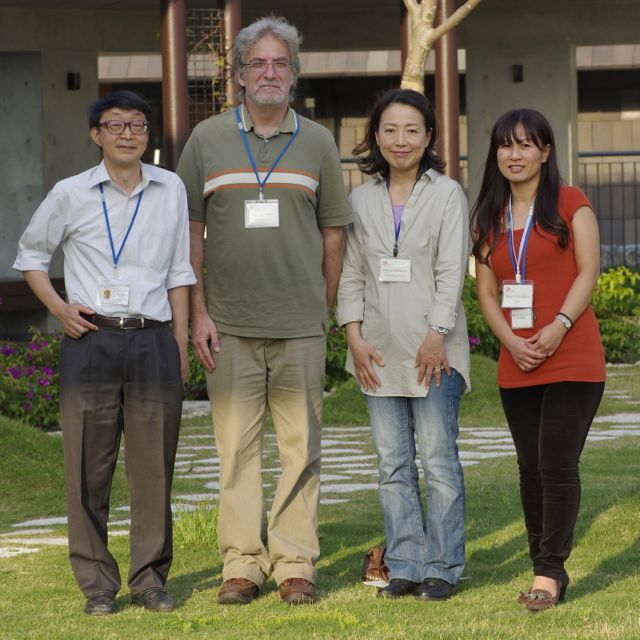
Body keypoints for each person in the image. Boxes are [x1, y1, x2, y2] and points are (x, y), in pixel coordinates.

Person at [176, 16, 352, 606]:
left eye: (280, 63)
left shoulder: (318, 142)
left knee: (301, 450)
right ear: (240, 75)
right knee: (235, 452)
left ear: (294, 75)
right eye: (258, 63)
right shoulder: (206, 140)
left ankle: (295, 562)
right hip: (226, 327)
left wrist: (322, 307)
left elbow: (334, 233)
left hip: (300, 325)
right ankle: (243, 564)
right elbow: (189, 233)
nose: (269, 73)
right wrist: (198, 313)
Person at [13, 91, 195, 616]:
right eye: (115, 125)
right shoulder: (71, 193)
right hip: (90, 339)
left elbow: (179, 269)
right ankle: (96, 584)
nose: (127, 134)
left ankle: (150, 581)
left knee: (154, 468)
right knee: (88, 469)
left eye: (137, 124)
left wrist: (180, 341)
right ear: (96, 135)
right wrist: (59, 308)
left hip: (154, 339)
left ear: (147, 134)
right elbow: (31, 256)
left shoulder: (170, 188)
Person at [337, 88, 470, 601]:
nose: (400, 140)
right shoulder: (361, 198)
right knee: (392, 466)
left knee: (438, 462)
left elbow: (451, 271)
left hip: (433, 353)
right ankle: (406, 564)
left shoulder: (447, 194)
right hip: (378, 354)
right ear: (376, 135)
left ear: (429, 136)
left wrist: (436, 337)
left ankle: (443, 566)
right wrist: (353, 336)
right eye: (390, 129)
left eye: (412, 129)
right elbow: (351, 273)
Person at [471, 109, 606, 612]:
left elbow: (589, 270)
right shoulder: (489, 215)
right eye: (506, 145)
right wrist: (510, 340)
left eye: (526, 144)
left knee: (556, 464)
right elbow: (487, 293)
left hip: (571, 355)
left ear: (546, 152)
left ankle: (549, 574)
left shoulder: (571, 202)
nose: (515, 154)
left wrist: (559, 325)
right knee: (530, 469)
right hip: (518, 359)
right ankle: (543, 565)